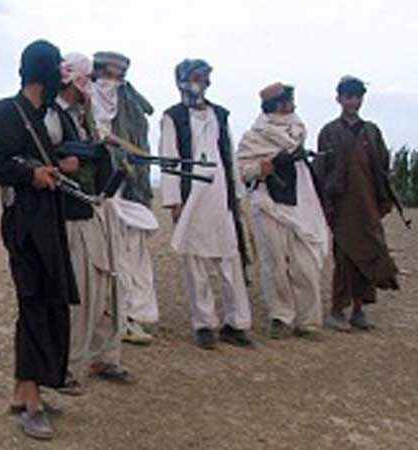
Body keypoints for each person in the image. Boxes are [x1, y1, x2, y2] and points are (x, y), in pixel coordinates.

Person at [0, 40, 80, 440]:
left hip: (47, 219)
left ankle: (24, 390)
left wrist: (58, 167)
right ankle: (31, 402)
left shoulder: (39, 116)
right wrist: (32, 175)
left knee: (49, 299)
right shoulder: (7, 112)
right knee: (34, 303)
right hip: (24, 223)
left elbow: (35, 160)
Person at [45, 52, 134, 390]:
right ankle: (67, 364)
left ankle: (103, 355)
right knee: (81, 293)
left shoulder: (84, 116)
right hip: (71, 215)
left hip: (95, 210)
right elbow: (45, 158)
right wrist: (64, 163)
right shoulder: (52, 116)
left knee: (106, 286)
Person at [159, 59, 253, 350]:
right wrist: (173, 200)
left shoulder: (220, 114)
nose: (204, 83)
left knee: (230, 258)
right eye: (198, 77)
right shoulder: (173, 117)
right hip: (191, 196)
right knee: (195, 261)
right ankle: (204, 324)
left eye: (206, 78)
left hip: (221, 195)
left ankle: (236, 323)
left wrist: (237, 194)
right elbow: (168, 159)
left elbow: (229, 155)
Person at [237, 83, 329, 339]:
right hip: (268, 204)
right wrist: (260, 169)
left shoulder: (297, 130)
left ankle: (309, 321)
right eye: (286, 101)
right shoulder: (253, 137)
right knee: (275, 263)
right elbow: (241, 171)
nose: (291, 105)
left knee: (306, 264)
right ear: (275, 105)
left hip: (302, 203)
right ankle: (281, 316)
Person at [315, 76, 399, 332]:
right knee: (344, 257)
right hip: (341, 206)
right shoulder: (329, 131)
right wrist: (326, 203)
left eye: (358, 97)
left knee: (368, 254)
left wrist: (384, 199)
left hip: (368, 204)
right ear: (339, 99)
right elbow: (321, 171)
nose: (353, 102)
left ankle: (359, 310)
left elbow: (382, 167)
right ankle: (337, 310)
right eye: (349, 97)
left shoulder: (371, 131)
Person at [91, 51, 159, 345]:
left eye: (120, 75)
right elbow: (99, 134)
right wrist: (122, 147)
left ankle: (133, 315)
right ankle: (116, 316)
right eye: (110, 73)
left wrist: (134, 154)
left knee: (134, 250)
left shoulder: (130, 103)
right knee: (111, 254)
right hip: (104, 187)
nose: (114, 80)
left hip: (132, 187)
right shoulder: (88, 99)